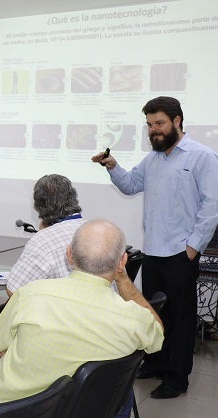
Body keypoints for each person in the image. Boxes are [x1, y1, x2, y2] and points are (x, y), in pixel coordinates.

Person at [0, 220, 164, 418]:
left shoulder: (29, 295)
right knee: (122, 398)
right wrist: (122, 277)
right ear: (122, 261)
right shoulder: (134, 318)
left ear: (69, 255)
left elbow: (0, 350)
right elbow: (157, 335)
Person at [91, 96, 218, 399]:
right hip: (154, 252)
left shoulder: (202, 157)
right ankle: (157, 363)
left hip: (180, 253)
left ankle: (176, 379)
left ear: (177, 121)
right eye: (149, 125)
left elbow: (212, 207)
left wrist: (192, 248)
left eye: (159, 123)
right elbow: (132, 184)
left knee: (181, 318)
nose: (153, 130)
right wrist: (112, 165)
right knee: (153, 314)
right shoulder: (153, 159)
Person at [6, 174, 85, 297]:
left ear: (39, 206)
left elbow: (15, 292)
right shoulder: (92, 230)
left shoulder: (43, 241)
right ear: (74, 198)